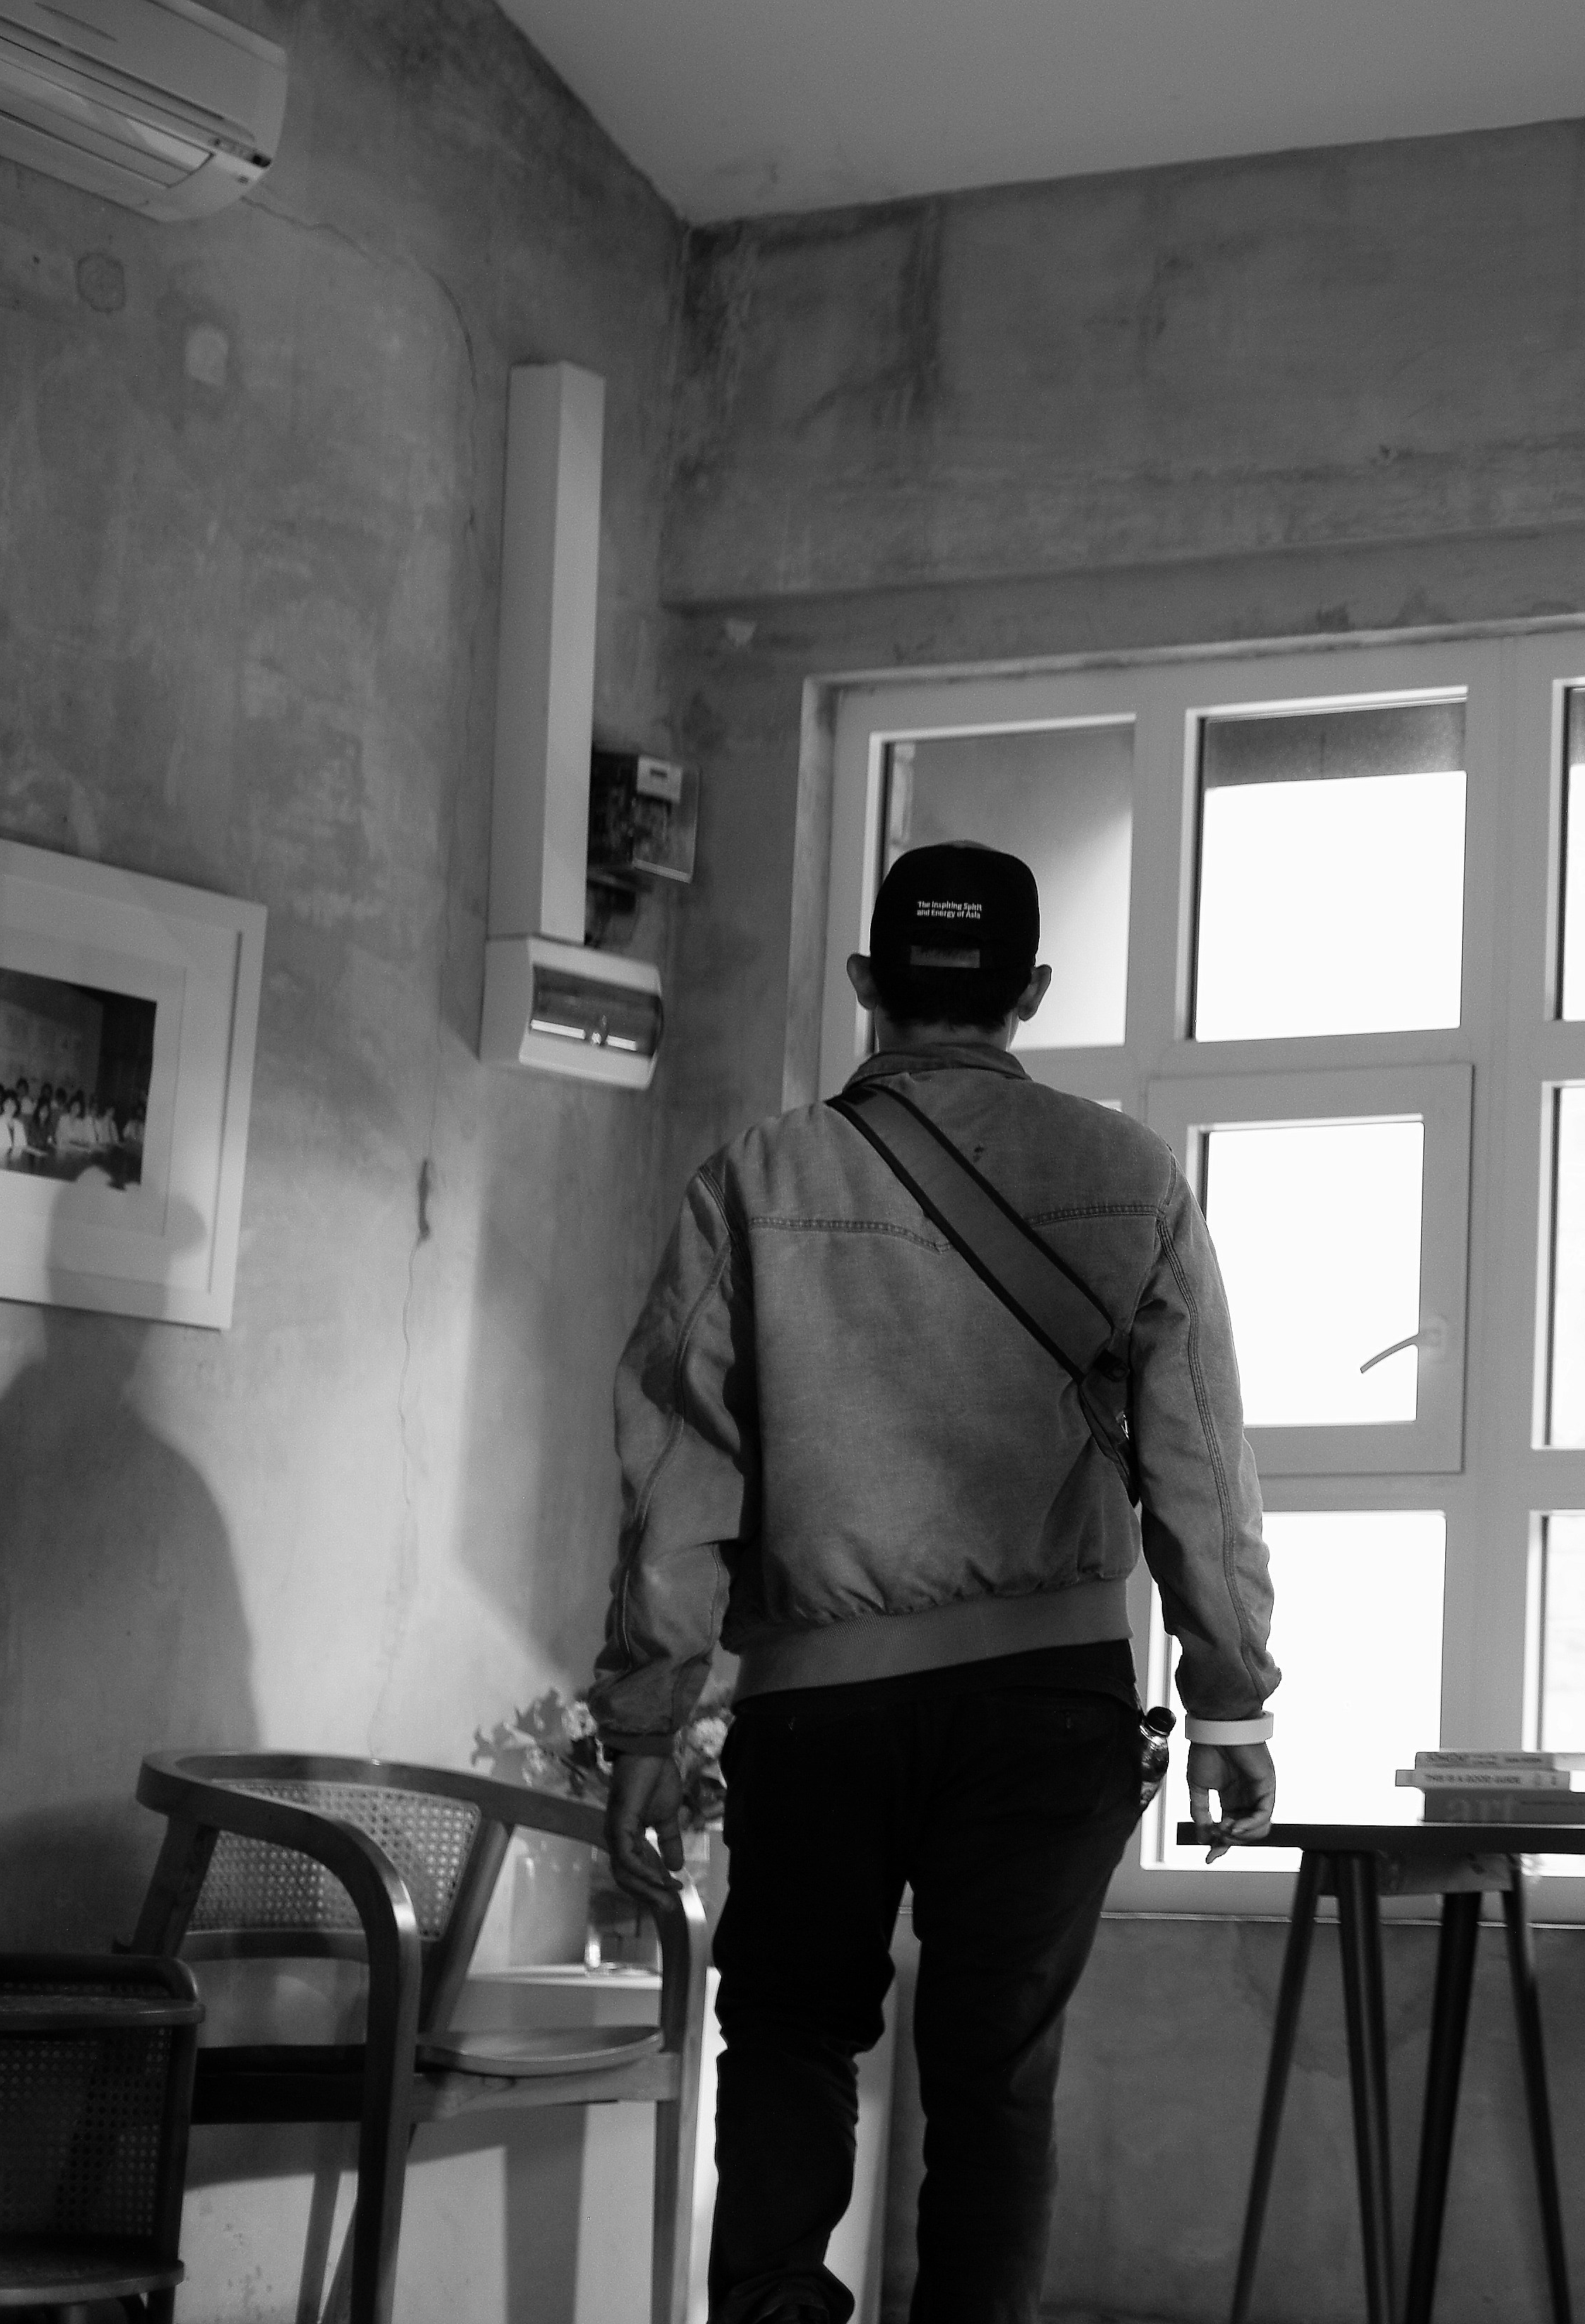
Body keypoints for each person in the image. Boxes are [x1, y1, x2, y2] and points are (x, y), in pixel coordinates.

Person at [589, 841, 1279, 2324]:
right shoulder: (1131, 1177)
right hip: (1051, 1703)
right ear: (1029, 992)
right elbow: (1202, 1464)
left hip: (821, 1713)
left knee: (785, 2035)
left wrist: (647, 1720)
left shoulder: (757, 1179)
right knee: (994, 2076)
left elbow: (678, 1478)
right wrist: (1227, 1703)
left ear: (866, 987)